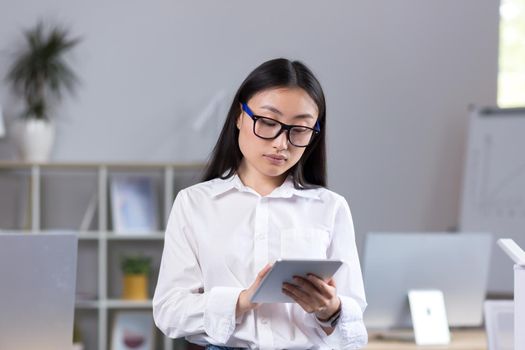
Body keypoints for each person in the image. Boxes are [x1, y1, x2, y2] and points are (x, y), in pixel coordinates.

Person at [153, 58, 367, 349]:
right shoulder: (195, 204)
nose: (282, 143)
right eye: (267, 122)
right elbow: (169, 311)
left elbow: (354, 328)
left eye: (300, 129)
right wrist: (241, 301)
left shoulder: (330, 207)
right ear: (239, 117)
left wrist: (331, 310)